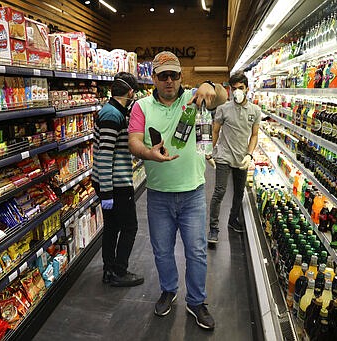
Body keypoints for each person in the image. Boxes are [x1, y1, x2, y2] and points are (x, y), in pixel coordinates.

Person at [128, 51, 227, 330]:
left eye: (174, 75)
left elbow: (221, 97)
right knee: (162, 251)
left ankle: (196, 301)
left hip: (193, 192)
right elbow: (133, 142)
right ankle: (168, 290)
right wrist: (148, 152)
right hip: (158, 194)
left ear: (181, 76)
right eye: (163, 76)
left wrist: (210, 84)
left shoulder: (193, 98)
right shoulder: (141, 107)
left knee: (196, 251)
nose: (169, 81)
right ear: (153, 78)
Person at [92, 72, 144, 287]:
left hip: (110, 182)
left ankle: (109, 270)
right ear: (130, 92)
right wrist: (107, 192)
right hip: (115, 183)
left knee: (112, 226)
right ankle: (119, 272)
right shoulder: (112, 115)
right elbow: (105, 156)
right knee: (130, 227)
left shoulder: (114, 111)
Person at [207, 72, 261, 244]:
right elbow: (215, 131)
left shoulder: (255, 111)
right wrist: (210, 151)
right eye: (234, 88)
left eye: (241, 88)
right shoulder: (223, 109)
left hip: (241, 158)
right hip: (223, 155)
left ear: (247, 89)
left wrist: (250, 154)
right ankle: (214, 228)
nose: (237, 91)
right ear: (230, 90)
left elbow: (254, 135)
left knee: (239, 192)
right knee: (219, 191)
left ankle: (232, 220)